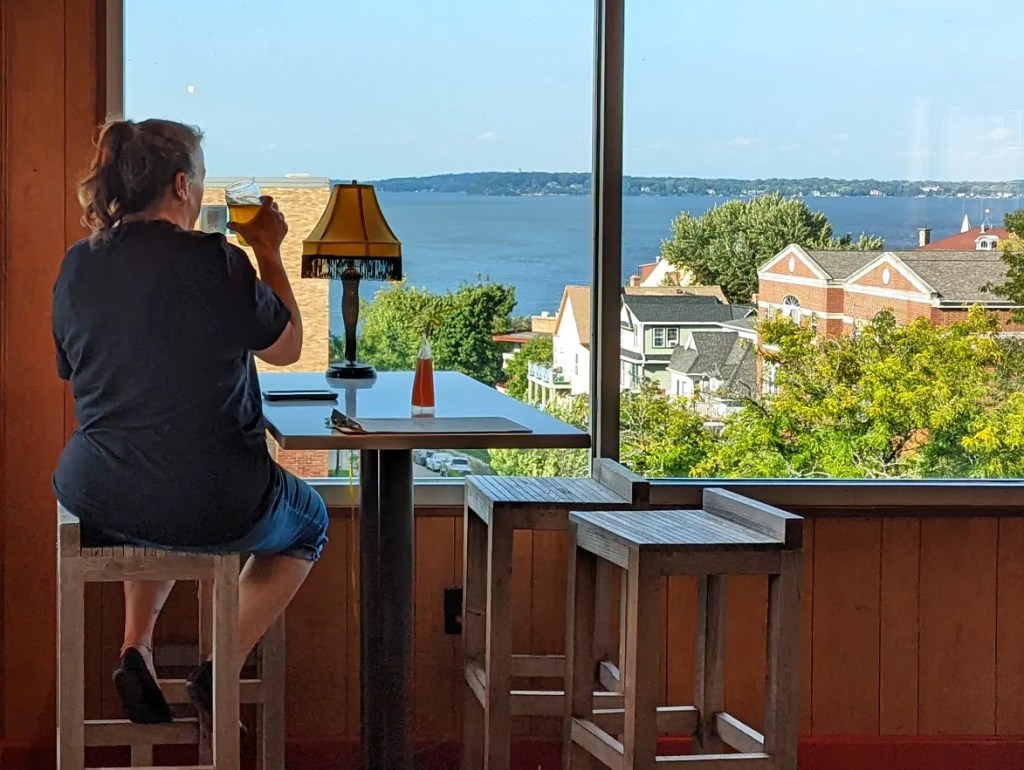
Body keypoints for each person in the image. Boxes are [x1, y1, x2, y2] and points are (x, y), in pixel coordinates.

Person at [52, 118, 328, 726]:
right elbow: (285, 348)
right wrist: (268, 251)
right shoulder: (215, 262)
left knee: (152, 490)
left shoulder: (78, 266)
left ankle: (136, 650)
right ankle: (216, 668)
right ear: (181, 185)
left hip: (99, 491)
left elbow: (73, 369)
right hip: (214, 500)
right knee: (310, 520)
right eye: (200, 178)